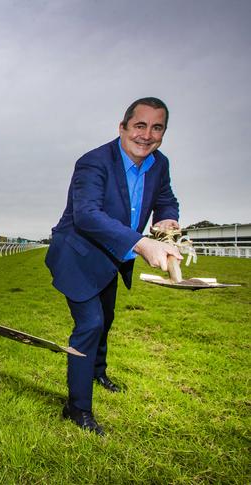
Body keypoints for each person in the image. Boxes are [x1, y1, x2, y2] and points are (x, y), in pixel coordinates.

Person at [45, 97, 182, 435]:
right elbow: (87, 215)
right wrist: (142, 243)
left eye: (157, 128)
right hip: (78, 255)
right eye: (139, 125)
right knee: (90, 324)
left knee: (106, 319)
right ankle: (77, 409)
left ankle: (97, 371)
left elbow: (165, 199)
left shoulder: (159, 163)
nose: (147, 135)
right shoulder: (93, 163)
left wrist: (167, 220)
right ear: (122, 127)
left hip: (113, 257)